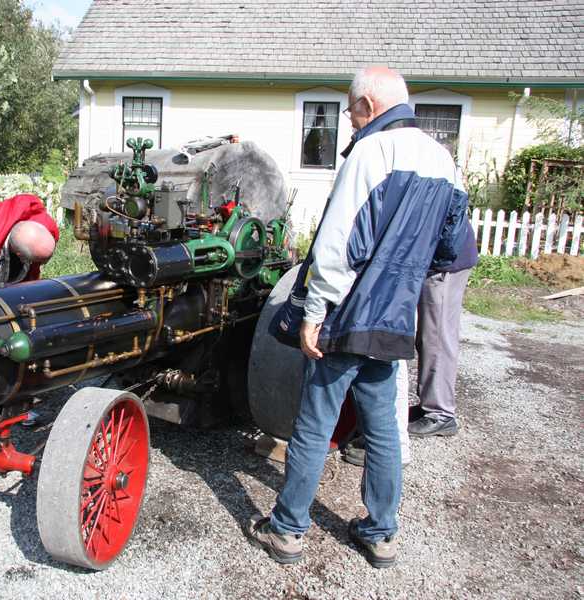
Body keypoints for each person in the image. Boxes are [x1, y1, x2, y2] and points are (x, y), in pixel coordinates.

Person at [245, 66, 470, 569]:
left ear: (368, 105)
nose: (349, 121)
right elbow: (451, 247)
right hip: (394, 321)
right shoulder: (444, 160)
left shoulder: (371, 152)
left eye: (350, 111)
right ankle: (381, 533)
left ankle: (287, 530)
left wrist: (315, 310)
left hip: (346, 317)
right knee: (384, 429)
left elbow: (337, 242)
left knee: (313, 425)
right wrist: (403, 281)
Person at [409, 222, 478, 437]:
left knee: (437, 337)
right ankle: (430, 405)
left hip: (444, 263)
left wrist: (440, 259)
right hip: (437, 258)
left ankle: (440, 414)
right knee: (427, 337)